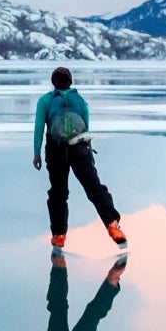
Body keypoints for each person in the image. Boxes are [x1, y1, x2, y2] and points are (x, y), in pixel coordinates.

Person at [32, 66, 126, 249]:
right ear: (70, 81)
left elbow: (39, 128)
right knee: (95, 188)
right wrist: (86, 149)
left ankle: (59, 236)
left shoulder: (45, 101)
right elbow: (86, 126)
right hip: (79, 149)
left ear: (53, 82)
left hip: (56, 151)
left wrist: (36, 153)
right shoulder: (80, 100)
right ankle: (112, 225)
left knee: (58, 193)